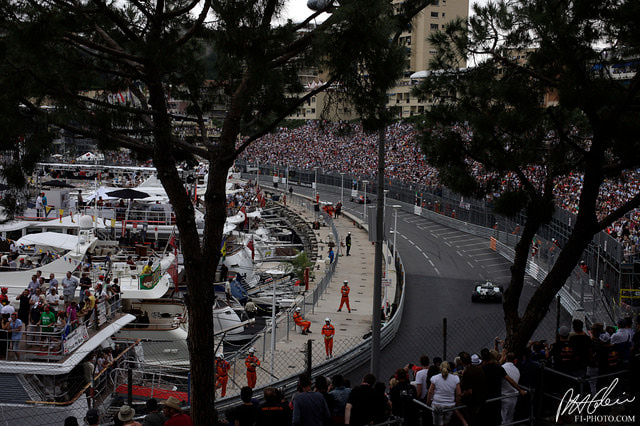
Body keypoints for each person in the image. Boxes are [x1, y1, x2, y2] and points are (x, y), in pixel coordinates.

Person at [427, 361, 464, 426]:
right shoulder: (455, 378)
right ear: (449, 369)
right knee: (446, 423)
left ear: (440, 368)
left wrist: (428, 402)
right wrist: (457, 403)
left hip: (437, 405)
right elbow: (458, 393)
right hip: (449, 405)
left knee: (438, 423)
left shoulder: (435, 378)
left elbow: (430, 392)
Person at [500, 352, 521, 425]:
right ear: (515, 360)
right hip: (514, 396)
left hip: (504, 396)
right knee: (510, 418)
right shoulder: (517, 370)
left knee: (503, 419)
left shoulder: (502, 368)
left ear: (505, 358)